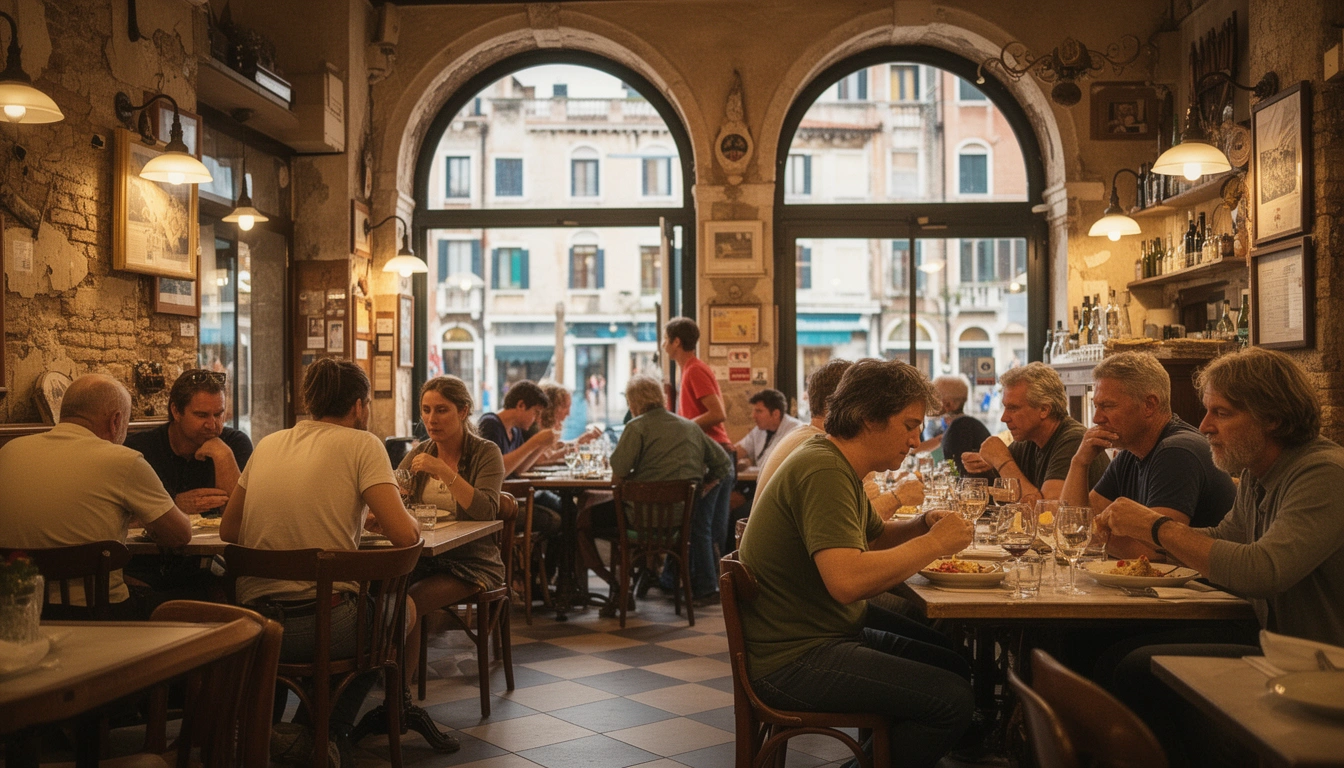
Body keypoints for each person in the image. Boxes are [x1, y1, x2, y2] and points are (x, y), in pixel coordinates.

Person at [1096, 348, 1344, 767]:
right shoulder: (1258, 472)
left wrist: (1154, 527)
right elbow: (1223, 537)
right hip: (1282, 646)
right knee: (1104, 649)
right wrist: (1142, 534)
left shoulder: (1323, 474)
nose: (1205, 426)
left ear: (1273, 418)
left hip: (1324, 663)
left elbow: (1262, 570)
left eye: (1221, 413)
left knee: (1137, 667)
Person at [740, 359, 976, 768]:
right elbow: (847, 582)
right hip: (793, 659)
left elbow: (872, 536)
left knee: (949, 660)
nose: (916, 439)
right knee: (952, 700)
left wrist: (921, 525)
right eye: (909, 425)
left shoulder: (832, 459)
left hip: (817, 633)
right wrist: (935, 544)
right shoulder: (822, 469)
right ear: (869, 418)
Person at [221, 359, 422, 762]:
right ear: (361, 406)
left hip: (253, 620)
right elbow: (406, 537)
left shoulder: (267, 444)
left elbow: (229, 531)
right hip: (324, 625)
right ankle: (325, 733)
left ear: (309, 401)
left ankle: (278, 735)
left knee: (344, 613)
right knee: (403, 612)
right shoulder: (363, 444)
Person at [0, 374, 192, 617]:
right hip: (98, 612)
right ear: (116, 420)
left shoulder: (10, 451)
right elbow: (179, 536)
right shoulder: (123, 461)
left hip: (18, 612)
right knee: (200, 590)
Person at [1061, 352, 1234, 558]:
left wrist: (1090, 535)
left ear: (1149, 405)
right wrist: (1079, 462)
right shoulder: (1131, 452)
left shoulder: (1177, 452)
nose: (1097, 418)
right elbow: (1072, 523)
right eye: (1096, 406)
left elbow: (1155, 553)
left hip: (1207, 588)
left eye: (1108, 406)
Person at [397, 376, 505, 685]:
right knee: (383, 593)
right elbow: (397, 492)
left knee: (410, 601)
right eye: (426, 410)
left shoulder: (486, 453)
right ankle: (386, 675)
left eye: (441, 410)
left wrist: (443, 471)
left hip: (473, 560)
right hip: (426, 557)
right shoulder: (419, 454)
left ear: (463, 411)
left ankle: (401, 696)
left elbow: (485, 511)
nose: (431, 419)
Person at [578, 375, 733, 590]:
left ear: (633, 402)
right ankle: (641, 576)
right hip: (680, 520)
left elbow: (619, 472)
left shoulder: (636, 427)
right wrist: (699, 488)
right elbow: (724, 465)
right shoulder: (690, 427)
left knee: (581, 518)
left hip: (638, 519)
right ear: (661, 398)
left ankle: (612, 583)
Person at [758, 359, 923, 521]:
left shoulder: (806, 438)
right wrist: (897, 496)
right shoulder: (824, 458)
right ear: (840, 404)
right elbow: (859, 529)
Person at [661, 317, 736, 603]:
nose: (663, 344)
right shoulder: (689, 371)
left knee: (699, 526)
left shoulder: (694, 370)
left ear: (676, 342)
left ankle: (706, 587)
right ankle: (705, 583)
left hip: (713, 456)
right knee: (710, 527)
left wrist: (684, 429)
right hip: (719, 454)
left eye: (666, 338)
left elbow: (718, 414)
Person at [962, 362, 1108, 505]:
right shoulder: (1028, 441)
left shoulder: (1074, 440)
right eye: (1005, 408)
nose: (1004, 418)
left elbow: (1050, 514)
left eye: (1013, 408)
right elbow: (997, 494)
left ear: (1044, 410)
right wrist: (983, 466)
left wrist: (1002, 461)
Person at [124, 369, 253, 516]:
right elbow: (124, 519)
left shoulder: (235, 443)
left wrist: (223, 456)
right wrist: (172, 507)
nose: (212, 425)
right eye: (201, 415)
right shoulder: (140, 450)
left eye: (218, 414)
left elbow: (242, 519)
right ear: (176, 411)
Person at [477, 380, 556, 477]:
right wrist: (534, 441)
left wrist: (541, 445)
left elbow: (518, 469)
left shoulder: (515, 431)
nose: (538, 419)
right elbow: (493, 472)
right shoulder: (490, 423)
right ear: (521, 405)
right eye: (536, 413)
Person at [931, 374, 991, 478]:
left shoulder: (960, 428)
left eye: (935, 399)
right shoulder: (965, 424)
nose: (930, 403)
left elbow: (960, 474)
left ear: (949, 404)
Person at [733, 388, 803, 471]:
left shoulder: (796, 430)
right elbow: (738, 451)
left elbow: (779, 466)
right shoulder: (760, 430)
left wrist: (750, 463)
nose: (753, 416)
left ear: (776, 414)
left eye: (759, 411)